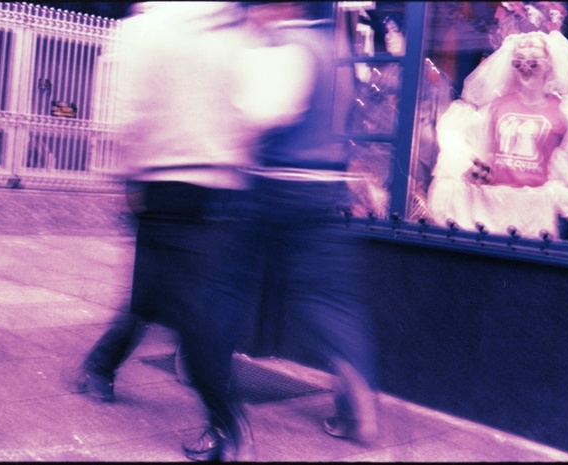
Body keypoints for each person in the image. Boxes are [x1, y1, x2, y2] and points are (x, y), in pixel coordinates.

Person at [73, 3, 263, 461]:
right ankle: (101, 366)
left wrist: (124, 176)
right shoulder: (234, 31)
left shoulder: (146, 29)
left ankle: (226, 420)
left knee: (179, 307)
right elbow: (252, 113)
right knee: (169, 296)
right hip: (222, 185)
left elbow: (126, 113)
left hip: (165, 182)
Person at [238, 1, 379, 444]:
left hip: (278, 184)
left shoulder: (286, 47)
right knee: (330, 300)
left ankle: (206, 369)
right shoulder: (334, 47)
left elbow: (262, 115)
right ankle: (357, 402)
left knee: (228, 280)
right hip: (328, 186)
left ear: (276, 8)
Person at [427, 29, 568, 240]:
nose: (525, 69)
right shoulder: (498, 106)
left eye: (533, 63)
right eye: (518, 63)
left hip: (534, 215)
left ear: (548, 65)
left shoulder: (563, 111)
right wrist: (473, 166)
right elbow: (480, 147)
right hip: (494, 209)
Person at [346, 12, 455, 220]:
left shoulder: (434, 80)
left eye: (395, 31)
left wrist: (419, 178)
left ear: (412, 34)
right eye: (386, 31)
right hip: (375, 168)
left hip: (411, 170)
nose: (388, 36)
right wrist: (360, 162)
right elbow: (362, 122)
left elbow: (433, 134)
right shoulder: (378, 77)